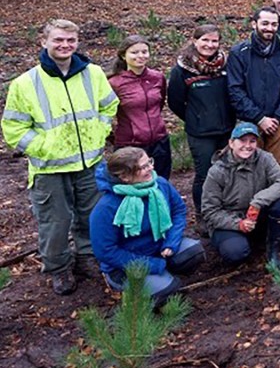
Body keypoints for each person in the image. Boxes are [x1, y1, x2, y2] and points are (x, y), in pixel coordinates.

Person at [2, 19, 119, 294]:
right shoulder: (25, 83)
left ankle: (87, 258)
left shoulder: (93, 74)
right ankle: (59, 268)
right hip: (49, 169)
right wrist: (44, 147)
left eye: (70, 40)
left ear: (77, 42)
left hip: (89, 163)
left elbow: (109, 105)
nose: (65, 45)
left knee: (90, 215)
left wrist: (100, 131)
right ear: (44, 41)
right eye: (58, 40)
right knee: (55, 222)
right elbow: (13, 128)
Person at [91, 148, 204, 304]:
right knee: (168, 292)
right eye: (143, 167)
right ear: (124, 176)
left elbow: (178, 210)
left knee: (193, 253)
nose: (151, 168)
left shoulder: (159, 185)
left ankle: (161, 274)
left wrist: (171, 242)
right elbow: (105, 251)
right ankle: (141, 283)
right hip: (124, 266)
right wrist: (151, 264)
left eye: (149, 162)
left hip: (158, 249)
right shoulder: (106, 208)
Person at [202, 122, 280, 268]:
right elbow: (209, 211)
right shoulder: (217, 171)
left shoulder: (264, 158)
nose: (247, 145)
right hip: (230, 220)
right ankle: (240, 242)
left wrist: (258, 201)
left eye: (252, 141)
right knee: (235, 253)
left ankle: (272, 249)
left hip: (256, 214)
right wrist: (238, 224)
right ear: (231, 143)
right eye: (242, 140)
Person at [168, 24, 235, 217]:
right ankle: (203, 214)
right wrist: (195, 117)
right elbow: (175, 102)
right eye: (205, 40)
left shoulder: (226, 65)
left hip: (227, 129)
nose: (210, 45)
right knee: (205, 175)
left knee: (227, 172)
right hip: (201, 133)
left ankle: (226, 209)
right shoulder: (182, 70)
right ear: (194, 41)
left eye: (214, 41)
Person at [227, 7, 280, 167]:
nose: (269, 28)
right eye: (265, 23)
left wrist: (278, 116)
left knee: (275, 166)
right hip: (249, 120)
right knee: (248, 165)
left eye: (274, 24)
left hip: (278, 120)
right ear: (254, 24)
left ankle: (274, 193)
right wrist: (259, 118)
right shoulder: (239, 53)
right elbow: (235, 90)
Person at [108, 35, 171, 179]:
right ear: (123, 55)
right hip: (129, 144)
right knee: (133, 185)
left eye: (144, 52)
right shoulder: (114, 83)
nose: (140, 56)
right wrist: (113, 136)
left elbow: (159, 105)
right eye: (134, 52)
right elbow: (105, 113)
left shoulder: (157, 77)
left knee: (161, 182)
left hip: (159, 141)